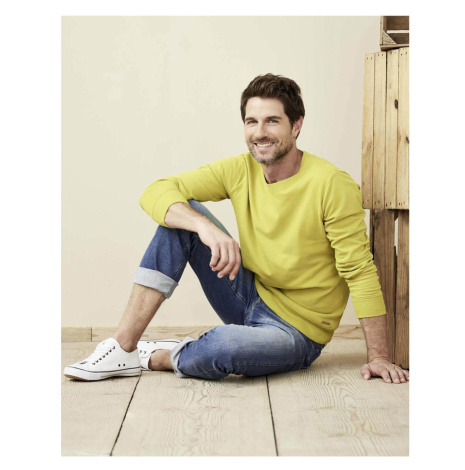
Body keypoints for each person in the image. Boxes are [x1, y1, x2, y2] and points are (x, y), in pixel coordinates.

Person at [64, 73, 409, 385]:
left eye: (272, 121)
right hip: (249, 297)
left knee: (223, 346)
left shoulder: (332, 184)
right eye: (251, 121)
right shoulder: (240, 169)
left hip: (296, 333)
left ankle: (159, 356)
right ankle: (122, 348)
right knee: (180, 218)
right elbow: (155, 191)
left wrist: (378, 356)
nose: (260, 132)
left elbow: (359, 271)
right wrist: (204, 227)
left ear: (296, 125)